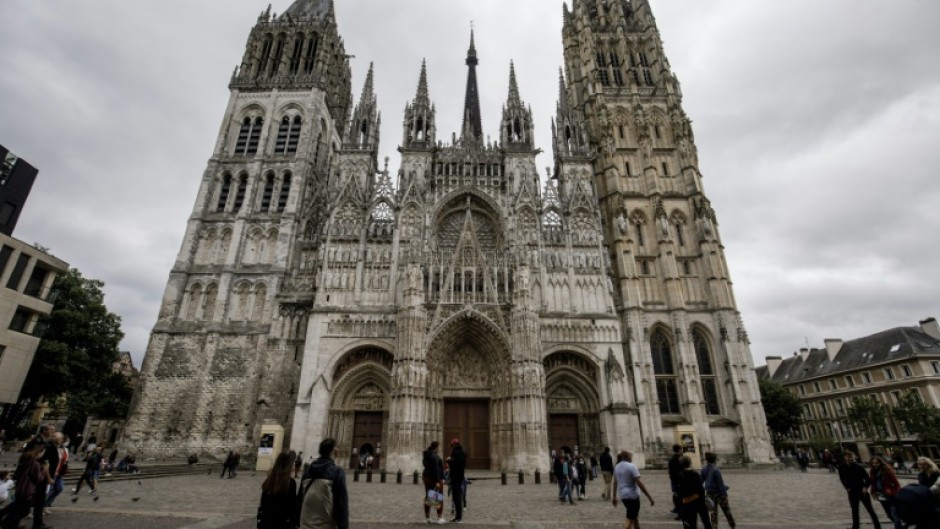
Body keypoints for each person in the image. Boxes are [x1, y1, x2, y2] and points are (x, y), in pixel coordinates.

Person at [299, 438, 348, 529]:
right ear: (334, 451)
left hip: (305, 525)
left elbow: (299, 500)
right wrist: (343, 526)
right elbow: (341, 504)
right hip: (326, 525)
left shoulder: (307, 471)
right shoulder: (337, 472)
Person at [2, 442, 51, 529]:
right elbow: (38, 478)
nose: (43, 455)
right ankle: (6, 523)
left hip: (20, 488)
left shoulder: (26, 460)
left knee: (17, 508)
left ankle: (10, 524)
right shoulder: (35, 464)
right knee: (24, 510)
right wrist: (44, 470)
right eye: (43, 452)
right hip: (28, 489)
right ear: (39, 452)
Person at [610, 450, 654, 529]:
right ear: (628, 456)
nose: (632, 458)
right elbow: (640, 484)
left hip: (623, 496)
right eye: (631, 456)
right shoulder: (632, 466)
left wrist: (614, 496)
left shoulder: (617, 467)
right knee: (630, 519)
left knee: (634, 517)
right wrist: (649, 497)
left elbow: (615, 483)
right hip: (633, 496)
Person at [838, 451, 882, 529]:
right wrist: (847, 488)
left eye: (851, 457)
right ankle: (855, 527)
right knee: (854, 510)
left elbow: (867, 479)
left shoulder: (859, 467)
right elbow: (842, 479)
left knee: (870, 509)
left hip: (862, 491)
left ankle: (877, 526)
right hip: (851, 492)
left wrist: (865, 487)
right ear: (844, 457)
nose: (850, 458)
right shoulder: (841, 468)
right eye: (848, 457)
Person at [257, 451, 298, 529]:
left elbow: (263, 505)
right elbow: (292, 507)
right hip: (282, 523)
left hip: (267, 523)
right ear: (289, 464)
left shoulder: (268, 481)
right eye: (293, 462)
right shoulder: (290, 483)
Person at [700, 452, 735, 529]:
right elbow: (720, 484)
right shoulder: (716, 470)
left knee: (713, 513)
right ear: (715, 460)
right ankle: (732, 525)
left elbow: (700, 482)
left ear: (706, 460)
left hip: (710, 494)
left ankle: (714, 526)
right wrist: (724, 495)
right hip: (719, 494)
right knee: (726, 511)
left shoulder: (703, 470)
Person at [677, 455, 712, 529]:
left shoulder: (679, 475)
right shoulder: (694, 474)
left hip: (687, 502)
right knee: (706, 522)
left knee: (691, 524)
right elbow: (700, 489)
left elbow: (679, 492)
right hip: (698, 501)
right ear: (689, 463)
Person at [868, 456, 902, 529]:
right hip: (881, 495)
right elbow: (873, 483)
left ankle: (898, 527)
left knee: (894, 513)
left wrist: (898, 493)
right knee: (889, 514)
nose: (875, 464)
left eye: (876, 463)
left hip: (891, 494)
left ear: (880, 463)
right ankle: (900, 526)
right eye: (873, 463)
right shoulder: (872, 472)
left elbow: (896, 483)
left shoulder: (887, 470)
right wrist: (873, 492)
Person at [420, 441, 445, 524]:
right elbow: (436, 470)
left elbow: (424, 464)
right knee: (438, 497)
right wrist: (439, 481)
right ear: (436, 447)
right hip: (434, 479)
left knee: (429, 496)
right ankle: (439, 518)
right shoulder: (435, 456)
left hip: (426, 477)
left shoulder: (427, 454)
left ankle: (427, 518)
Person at [44, 433, 69, 512]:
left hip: (60, 472)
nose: (64, 442)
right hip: (53, 472)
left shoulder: (65, 449)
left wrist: (66, 467)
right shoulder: (54, 448)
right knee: (48, 490)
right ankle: (42, 507)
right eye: (63, 440)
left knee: (59, 488)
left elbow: (65, 460)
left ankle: (47, 503)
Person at [447, 438, 466, 523]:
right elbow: (463, 464)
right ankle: (458, 517)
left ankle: (458, 517)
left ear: (454, 445)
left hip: (455, 477)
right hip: (460, 477)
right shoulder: (462, 453)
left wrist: (448, 461)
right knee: (457, 497)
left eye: (452, 445)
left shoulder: (455, 453)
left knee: (456, 498)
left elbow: (455, 465)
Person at [667, 444, 683, 519]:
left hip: (674, 479)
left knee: (676, 495)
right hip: (678, 480)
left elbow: (670, 470)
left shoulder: (673, 459)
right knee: (678, 496)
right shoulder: (677, 459)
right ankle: (680, 512)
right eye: (681, 449)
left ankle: (677, 509)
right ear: (679, 450)